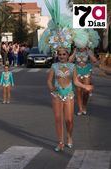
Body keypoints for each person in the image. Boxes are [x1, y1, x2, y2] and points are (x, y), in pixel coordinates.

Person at [40, 0, 94, 152]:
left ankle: (70, 136)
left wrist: (85, 86)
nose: (62, 56)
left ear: (68, 54)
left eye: (64, 54)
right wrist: (52, 90)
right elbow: (49, 81)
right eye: (60, 54)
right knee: (58, 119)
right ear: (57, 55)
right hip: (57, 95)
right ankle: (61, 142)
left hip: (69, 95)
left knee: (69, 120)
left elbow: (75, 81)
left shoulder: (72, 66)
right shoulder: (54, 66)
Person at [69, 46, 99, 115]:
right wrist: (74, 52)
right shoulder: (75, 51)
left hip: (87, 70)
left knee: (86, 90)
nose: (82, 46)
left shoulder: (88, 51)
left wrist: (89, 52)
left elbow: (95, 61)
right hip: (77, 70)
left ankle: (84, 106)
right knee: (78, 91)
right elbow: (70, 61)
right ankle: (80, 109)